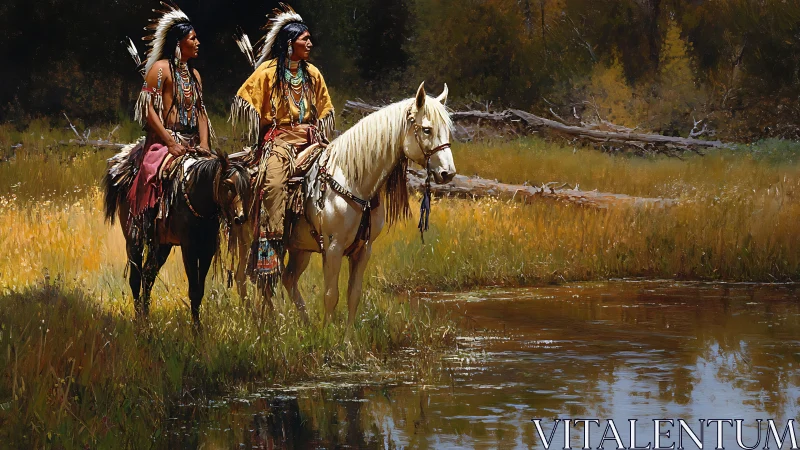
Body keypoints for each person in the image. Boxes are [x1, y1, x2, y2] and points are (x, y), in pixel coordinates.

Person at [231, 4, 334, 286]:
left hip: (312, 142)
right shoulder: (267, 73)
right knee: (273, 185)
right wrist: (265, 129)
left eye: (310, 39)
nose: (310, 43)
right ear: (290, 44)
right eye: (305, 39)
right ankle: (269, 249)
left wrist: (317, 131)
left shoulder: (313, 74)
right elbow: (245, 101)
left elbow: (325, 110)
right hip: (279, 144)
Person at [127, 3, 213, 224]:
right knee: (152, 172)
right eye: (193, 38)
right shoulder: (160, 69)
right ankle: (147, 224)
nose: (198, 43)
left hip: (191, 141)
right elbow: (148, 109)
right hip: (164, 142)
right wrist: (169, 142)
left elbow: (201, 113)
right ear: (179, 42)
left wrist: (204, 143)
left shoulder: (195, 75)